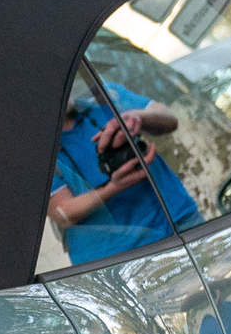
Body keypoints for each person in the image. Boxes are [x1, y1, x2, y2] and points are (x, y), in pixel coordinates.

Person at [46, 73, 200, 265]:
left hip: (179, 219)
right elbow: (65, 213)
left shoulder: (105, 96)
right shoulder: (35, 152)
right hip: (118, 256)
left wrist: (136, 118)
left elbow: (169, 120)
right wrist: (114, 186)